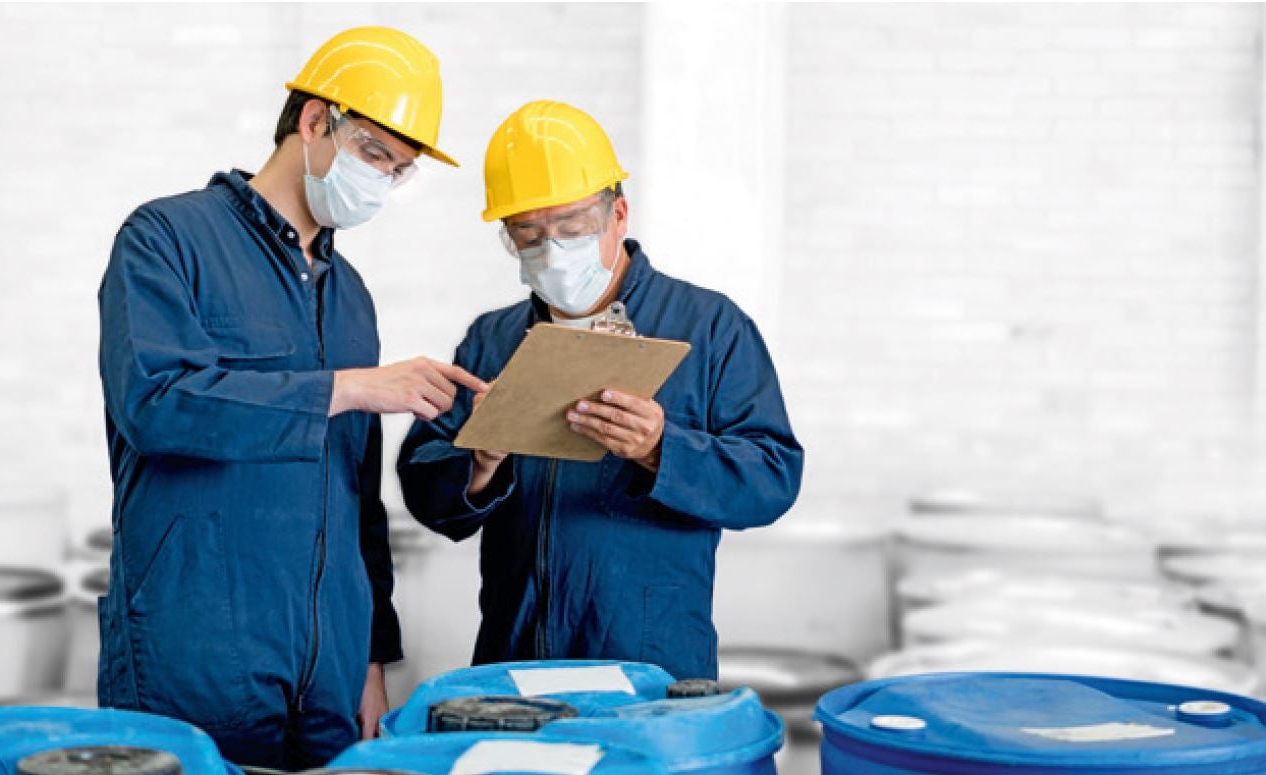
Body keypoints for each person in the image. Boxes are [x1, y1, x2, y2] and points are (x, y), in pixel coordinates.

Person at [96, 27, 484, 767]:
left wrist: (371, 654)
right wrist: (347, 387)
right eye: (374, 154)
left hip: (331, 666)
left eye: (397, 170)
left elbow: (355, 491)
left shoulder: (351, 296)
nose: (381, 181)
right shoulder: (167, 238)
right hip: (196, 646)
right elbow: (156, 403)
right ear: (313, 122)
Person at [397, 100, 803, 680]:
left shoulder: (708, 327)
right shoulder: (492, 340)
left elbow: (772, 478)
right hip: (517, 660)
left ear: (619, 213)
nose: (552, 248)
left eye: (571, 226)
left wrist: (662, 448)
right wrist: (479, 459)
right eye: (528, 234)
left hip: (652, 662)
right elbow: (425, 489)